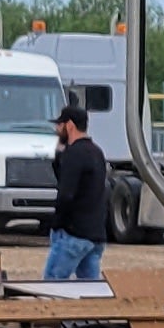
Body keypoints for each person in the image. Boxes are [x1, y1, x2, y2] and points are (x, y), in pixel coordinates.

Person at [43, 105, 109, 283]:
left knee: (52, 282)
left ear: (69, 125)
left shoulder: (75, 153)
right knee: (89, 289)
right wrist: (60, 153)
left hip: (74, 234)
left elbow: (66, 192)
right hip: (95, 235)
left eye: (60, 125)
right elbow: (65, 176)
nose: (57, 129)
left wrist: (56, 223)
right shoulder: (97, 152)